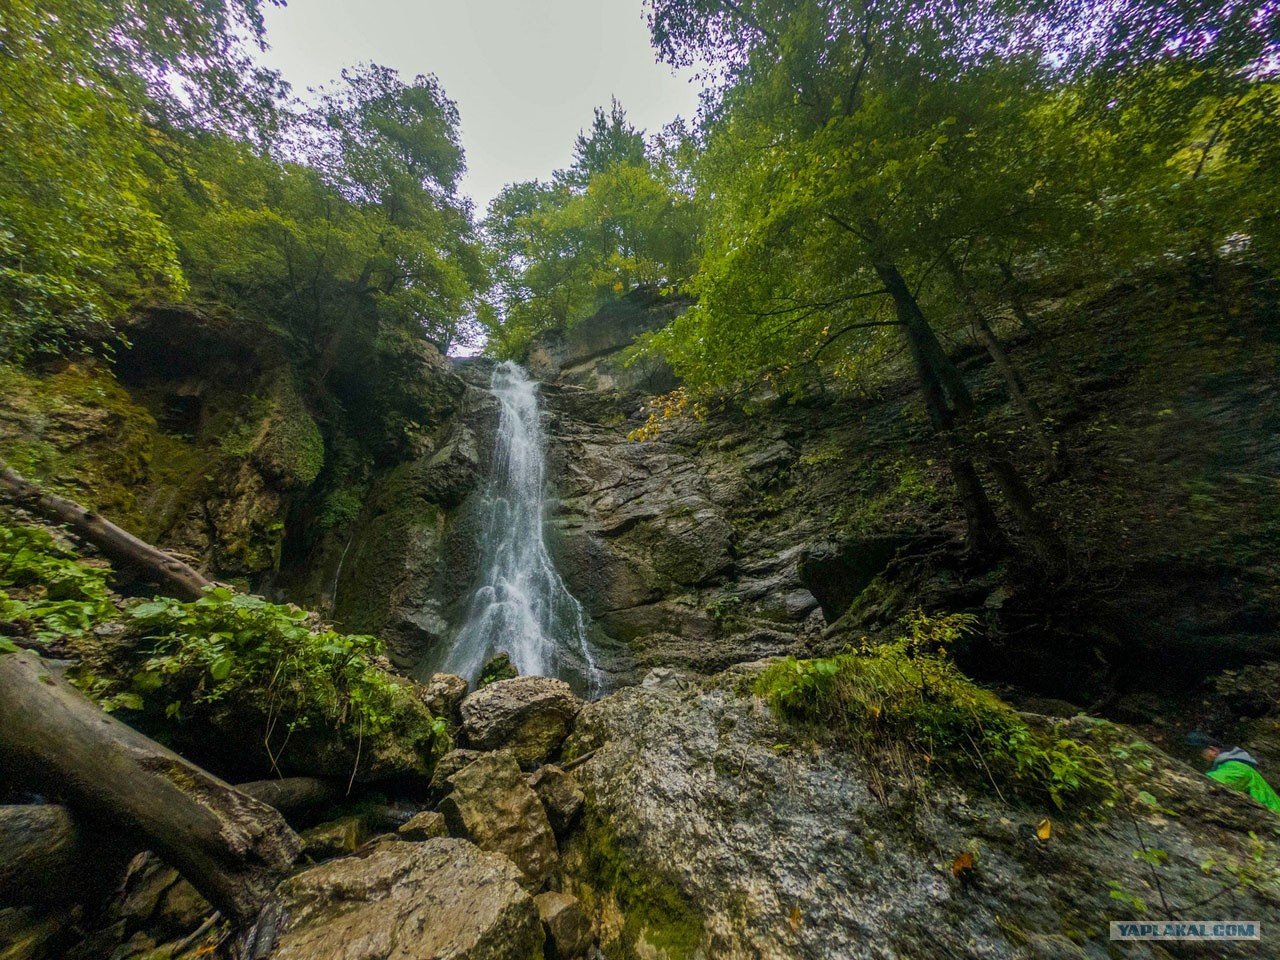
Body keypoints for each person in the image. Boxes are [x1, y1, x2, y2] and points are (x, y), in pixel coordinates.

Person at [1186, 732, 1280, 814]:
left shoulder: (1237, 767)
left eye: (1202, 754)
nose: (1203, 758)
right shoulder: (1233, 765)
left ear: (1213, 750)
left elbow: (1215, 784)